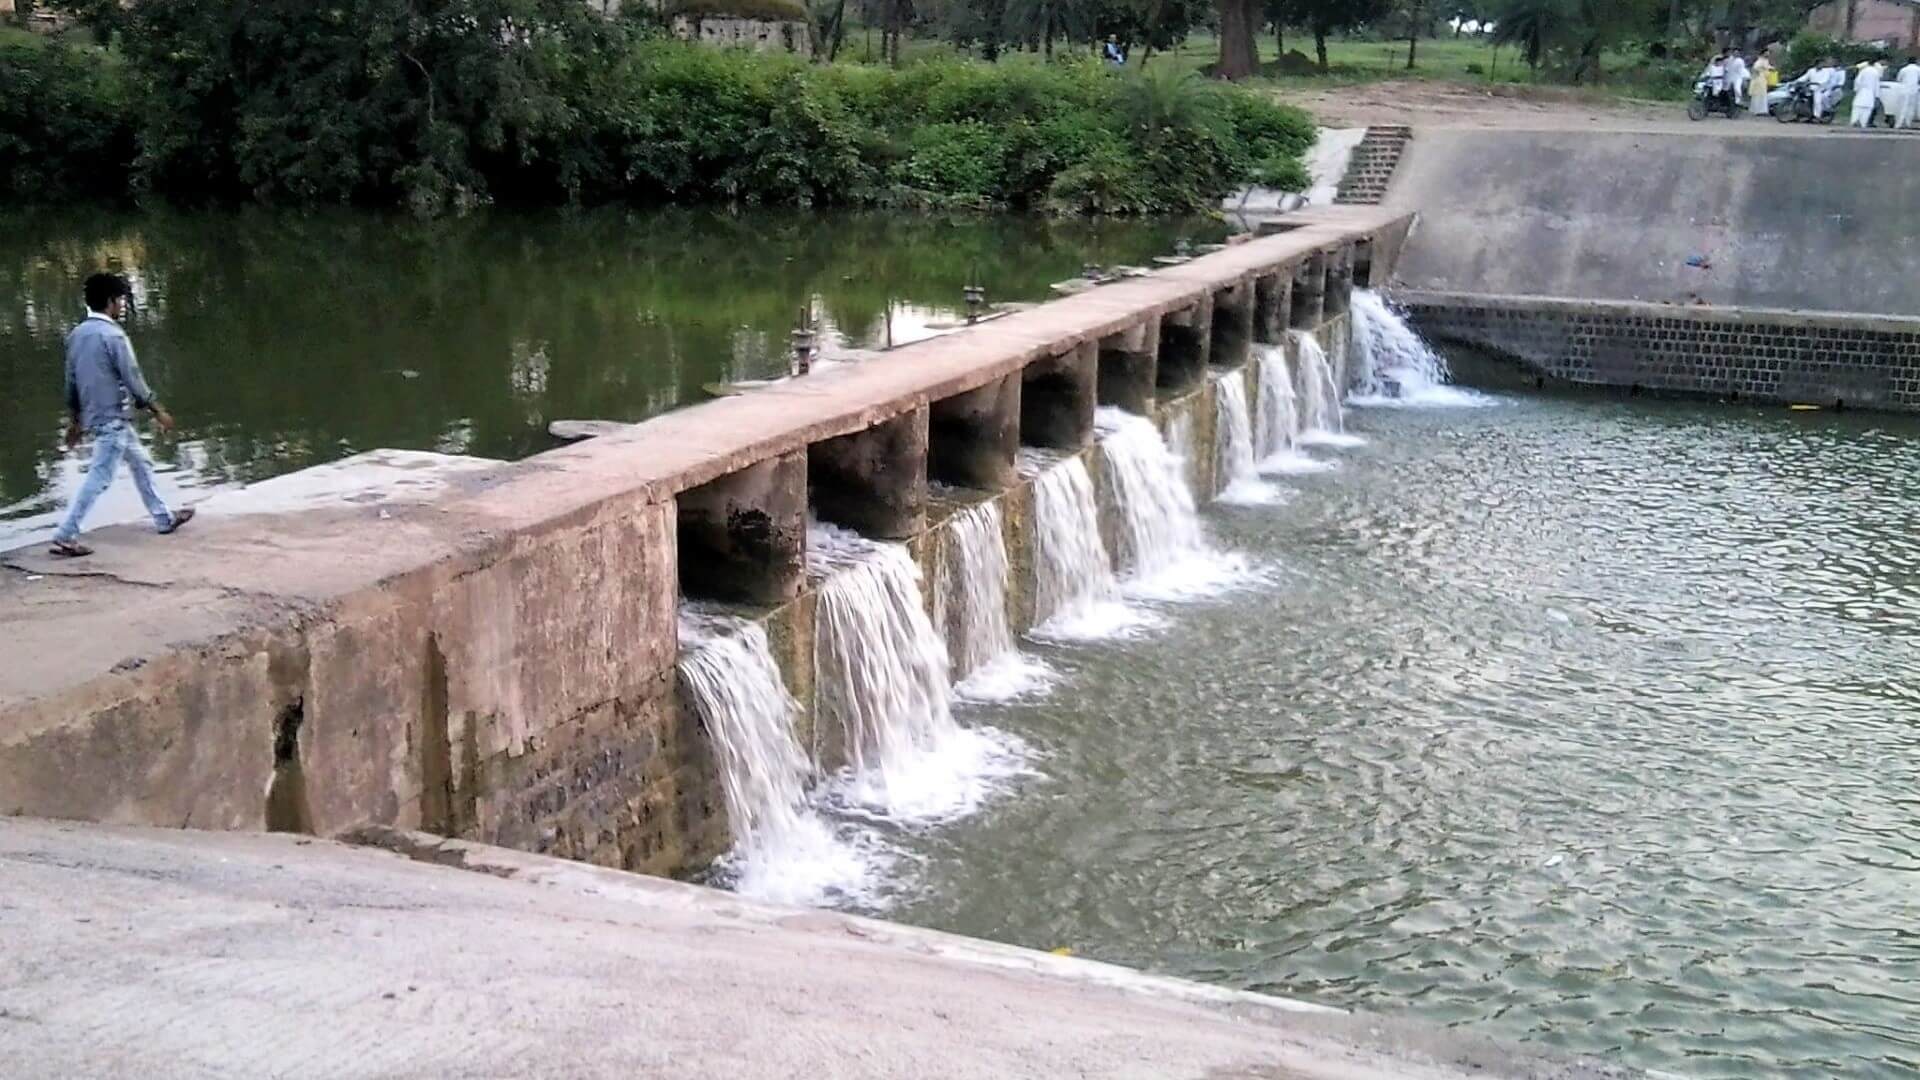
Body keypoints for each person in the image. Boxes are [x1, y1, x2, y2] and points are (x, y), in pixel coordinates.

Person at [49, 272, 194, 558]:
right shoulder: (113, 335)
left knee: (142, 463)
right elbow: (133, 377)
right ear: (110, 302)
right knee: (100, 476)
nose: (123, 305)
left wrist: (76, 420)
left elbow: (71, 382)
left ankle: (163, 518)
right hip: (112, 417)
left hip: (102, 417)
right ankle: (66, 533)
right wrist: (157, 410)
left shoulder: (76, 335)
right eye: (121, 300)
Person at [1850, 59, 1883, 127]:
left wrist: (1856, 89)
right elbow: (1877, 84)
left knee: (1857, 107)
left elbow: (1858, 81)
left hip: (1862, 91)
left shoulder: (1863, 71)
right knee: (1867, 109)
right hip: (1871, 93)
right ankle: (1863, 123)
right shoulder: (1876, 72)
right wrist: (1877, 95)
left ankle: (1854, 121)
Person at [1897, 56, 1920, 129]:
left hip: (1904, 90)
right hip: (1914, 91)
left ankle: (1899, 124)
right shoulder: (1918, 69)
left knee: (1902, 107)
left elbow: (1899, 79)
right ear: (1916, 61)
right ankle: (1908, 123)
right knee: (1911, 108)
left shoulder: (1903, 69)